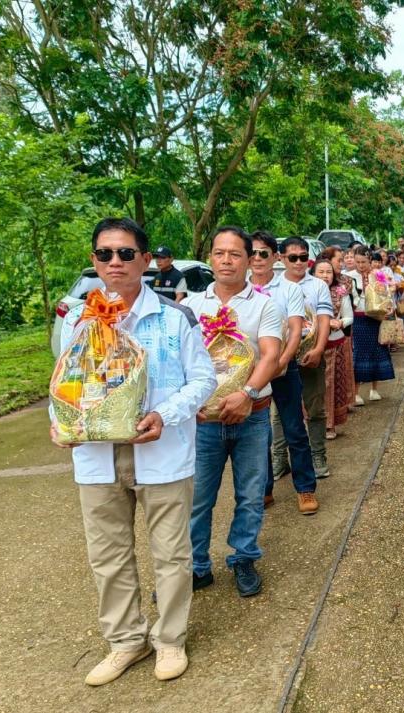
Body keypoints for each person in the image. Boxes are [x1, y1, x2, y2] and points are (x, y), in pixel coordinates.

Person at [51, 218, 215, 686]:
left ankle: (169, 640)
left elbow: (202, 379)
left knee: (171, 553)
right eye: (105, 254)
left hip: (160, 450)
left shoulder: (173, 317)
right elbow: (63, 382)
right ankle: (126, 641)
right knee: (108, 554)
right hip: (96, 455)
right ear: (94, 261)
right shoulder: (79, 320)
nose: (115, 262)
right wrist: (58, 421)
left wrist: (165, 412)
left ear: (145, 260)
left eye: (125, 253)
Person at [183, 226, 282, 598]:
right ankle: (196, 566)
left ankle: (243, 557)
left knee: (251, 493)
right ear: (211, 258)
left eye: (235, 254)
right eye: (220, 253)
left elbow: (270, 355)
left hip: (252, 415)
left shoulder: (263, 305)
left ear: (249, 259)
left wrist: (247, 393)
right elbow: (182, 363)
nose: (226, 260)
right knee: (198, 498)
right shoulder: (191, 306)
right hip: (203, 422)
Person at [248, 231, 321, 515]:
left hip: (283, 366)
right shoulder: (241, 288)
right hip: (250, 370)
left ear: (275, 257)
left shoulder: (288, 288)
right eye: (252, 253)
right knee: (256, 431)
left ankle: (305, 488)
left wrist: (284, 360)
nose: (257, 259)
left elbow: (295, 327)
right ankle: (263, 489)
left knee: (293, 427)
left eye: (263, 253)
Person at [279, 237, 333, 479]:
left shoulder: (318, 286)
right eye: (293, 258)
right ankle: (279, 457)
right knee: (279, 411)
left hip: (311, 355)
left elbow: (323, 318)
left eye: (303, 257)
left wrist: (319, 348)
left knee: (315, 405)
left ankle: (318, 454)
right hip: (281, 359)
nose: (299, 262)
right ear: (282, 259)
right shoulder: (274, 286)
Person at [312, 258, 354, 440]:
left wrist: (339, 322)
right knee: (312, 389)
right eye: (320, 272)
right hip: (310, 346)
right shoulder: (304, 292)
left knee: (331, 388)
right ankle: (311, 423)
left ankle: (329, 425)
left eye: (328, 272)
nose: (325, 276)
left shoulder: (340, 292)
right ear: (313, 274)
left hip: (334, 344)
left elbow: (349, 317)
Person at [348, 245, 396, 403]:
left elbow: (387, 293)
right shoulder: (348, 276)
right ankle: (355, 392)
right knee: (359, 354)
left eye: (363, 262)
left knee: (377, 350)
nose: (360, 265)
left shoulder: (379, 275)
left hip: (376, 317)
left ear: (370, 260)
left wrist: (389, 307)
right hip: (358, 318)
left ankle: (374, 389)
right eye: (357, 262)